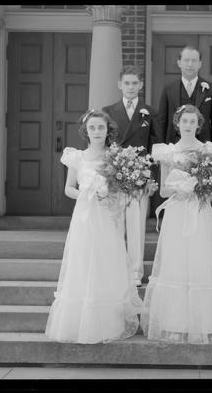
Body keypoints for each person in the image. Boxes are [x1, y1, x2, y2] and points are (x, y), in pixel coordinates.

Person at [45, 109, 142, 344]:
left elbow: (125, 188)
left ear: (108, 130)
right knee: (84, 261)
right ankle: (80, 323)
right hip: (85, 216)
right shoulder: (77, 157)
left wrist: (110, 192)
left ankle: (109, 322)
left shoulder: (116, 156)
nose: (97, 132)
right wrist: (86, 192)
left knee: (106, 262)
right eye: (92, 128)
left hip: (108, 217)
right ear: (85, 131)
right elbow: (68, 188)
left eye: (101, 127)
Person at [141, 104, 212, 344]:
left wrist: (199, 186)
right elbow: (163, 189)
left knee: (200, 261)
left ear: (199, 124)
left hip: (200, 211)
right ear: (177, 124)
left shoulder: (210, 151)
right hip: (177, 211)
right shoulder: (168, 152)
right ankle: (175, 322)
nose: (189, 125)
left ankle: (202, 322)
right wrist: (181, 186)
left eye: (193, 121)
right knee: (177, 262)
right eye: (185, 121)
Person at [103, 66, 163, 287]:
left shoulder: (150, 112)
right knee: (116, 224)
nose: (130, 87)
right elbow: (106, 145)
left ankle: (135, 272)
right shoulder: (108, 111)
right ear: (120, 85)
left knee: (136, 227)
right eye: (126, 83)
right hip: (117, 176)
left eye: (134, 83)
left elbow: (155, 147)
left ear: (140, 85)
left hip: (140, 176)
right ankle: (116, 270)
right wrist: (110, 173)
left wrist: (151, 179)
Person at [158, 46, 212, 144]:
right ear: (179, 63)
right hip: (174, 146)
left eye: (194, 61)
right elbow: (162, 122)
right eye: (186, 60)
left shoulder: (211, 89)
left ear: (200, 64)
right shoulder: (168, 89)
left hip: (202, 146)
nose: (190, 64)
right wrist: (162, 147)